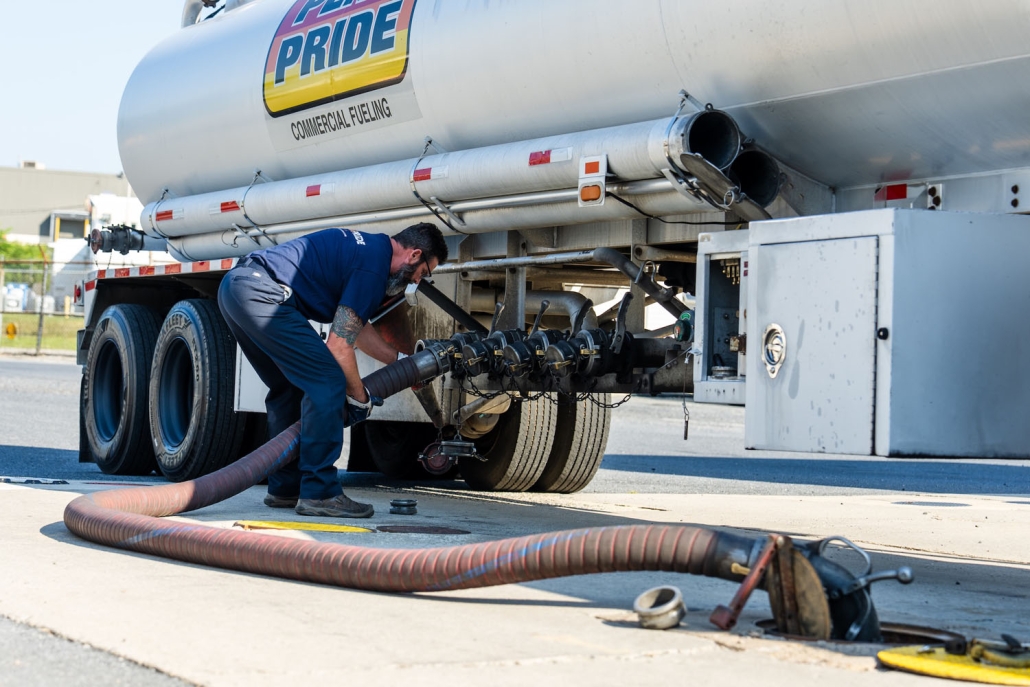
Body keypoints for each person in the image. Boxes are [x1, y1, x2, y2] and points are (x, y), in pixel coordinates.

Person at [217, 223, 448, 518]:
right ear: (415, 255)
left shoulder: (370, 251)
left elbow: (357, 328)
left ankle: (286, 488)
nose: (417, 281)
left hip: (238, 288)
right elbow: (339, 346)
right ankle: (321, 493)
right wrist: (358, 396)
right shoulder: (373, 269)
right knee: (326, 381)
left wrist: (401, 361)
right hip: (264, 295)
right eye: (423, 273)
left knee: (288, 387)